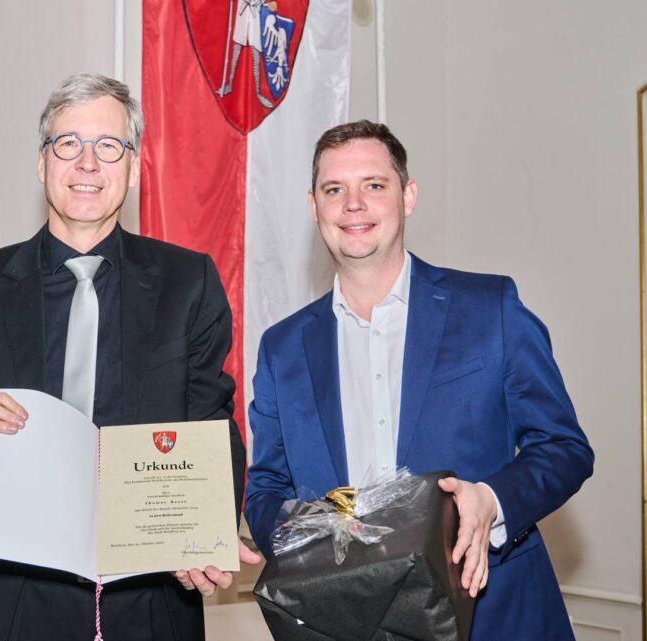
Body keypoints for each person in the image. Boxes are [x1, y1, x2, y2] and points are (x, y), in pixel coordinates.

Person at [0, 72, 257, 641]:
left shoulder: (187, 283)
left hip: (150, 602)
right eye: (68, 144)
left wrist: (207, 528)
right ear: (42, 163)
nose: (88, 164)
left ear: (134, 165)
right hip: (10, 605)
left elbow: (212, 428)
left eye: (109, 146)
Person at [244, 119, 594, 640]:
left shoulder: (490, 308)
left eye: (374, 185)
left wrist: (491, 501)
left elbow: (564, 448)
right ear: (314, 207)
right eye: (334, 189)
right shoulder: (282, 347)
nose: (353, 205)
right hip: (344, 621)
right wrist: (313, 542)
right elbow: (266, 488)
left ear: (407, 196)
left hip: (494, 610)